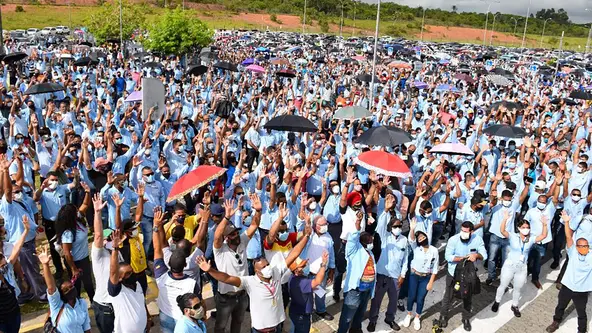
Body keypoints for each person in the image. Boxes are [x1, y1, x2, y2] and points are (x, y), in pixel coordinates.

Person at [196, 221, 310, 333]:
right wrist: (210, 270)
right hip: (259, 330)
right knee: (221, 325)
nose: (267, 268)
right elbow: (226, 278)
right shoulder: (249, 282)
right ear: (256, 271)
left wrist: (307, 236)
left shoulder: (276, 272)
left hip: (277, 328)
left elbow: (294, 253)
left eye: (267, 265)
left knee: (238, 322)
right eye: (264, 267)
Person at [213, 195, 261, 333]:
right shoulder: (220, 250)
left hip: (242, 295)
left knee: (238, 323)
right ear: (226, 238)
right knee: (220, 327)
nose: (236, 235)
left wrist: (258, 211)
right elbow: (217, 236)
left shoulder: (242, 241)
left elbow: (254, 225)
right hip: (225, 298)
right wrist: (226, 218)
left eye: (236, 232)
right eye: (233, 234)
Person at [153, 207, 201, 333]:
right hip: (183, 320)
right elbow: (200, 243)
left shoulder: (160, 276)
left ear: (168, 262)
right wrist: (205, 221)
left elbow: (158, 246)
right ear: (185, 263)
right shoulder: (191, 283)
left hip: (165, 316)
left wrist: (156, 226)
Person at [492, 212, 548, 317]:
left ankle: (515, 305)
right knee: (503, 285)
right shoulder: (513, 236)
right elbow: (502, 231)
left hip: (522, 267)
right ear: (519, 228)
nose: (526, 229)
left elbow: (544, 236)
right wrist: (504, 219)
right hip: (509, 265)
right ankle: (497, 301)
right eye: (523, 227)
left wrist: (545, 224)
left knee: (518, 288)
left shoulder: (531, 239)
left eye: (527, 227)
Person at [546, 211, 592, 333]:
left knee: (581, 313)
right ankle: (556, 321)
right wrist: (566, 221)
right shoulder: (573, 253)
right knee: (560, 306)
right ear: (576, 247)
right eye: (580, 246)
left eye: (585, 246)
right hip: (567, 286)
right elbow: (568, 237)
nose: (583, 248)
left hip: (582, 291)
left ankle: (581, 331)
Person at [367, 195, 408, 332]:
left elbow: (406, 258)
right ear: (391, 228)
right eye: (395, 226)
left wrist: (402, 275)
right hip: (382, 275)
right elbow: (380, 226)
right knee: (376, 300)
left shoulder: (404, 240)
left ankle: (389, 318)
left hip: (396, 276)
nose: (398, 228)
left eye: (400, 226)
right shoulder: (384, 237)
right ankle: (373, 320)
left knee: (393, 300)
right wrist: (385, 209)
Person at [439, 221, 487, 332]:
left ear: (472, 231)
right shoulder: (453, 240)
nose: (463, 233)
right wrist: (462, 259)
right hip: (453, 273)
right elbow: (448, 256)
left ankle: (465, 318)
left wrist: (476, 255)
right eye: (462, 231)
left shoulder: (477, 239)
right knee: (448, 296)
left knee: (467, 297)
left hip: (468, 276)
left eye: (466, 231)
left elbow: (484, 255)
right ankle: (443, 315)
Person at [54, 184, 95, 302]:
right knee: (76, 285)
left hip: (84, 258)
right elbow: (67, 253)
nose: (78, 210)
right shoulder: (68, 233)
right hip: (76, 261)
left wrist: (87, 192)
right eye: (75, 210)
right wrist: (73, 268)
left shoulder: (76, 220)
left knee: (88, 282)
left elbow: (86, 205)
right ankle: (76, 303)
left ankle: (93, 300)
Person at [38, 245, 92, 333]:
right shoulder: (57, 305)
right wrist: (45, 265)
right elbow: (51, 287)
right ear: (60, 294)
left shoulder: (81, 303)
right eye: (66, 290)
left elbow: (86, 327)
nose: (71, 290)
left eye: (71, 287)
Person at [337, 210, 374, 333]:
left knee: (360, 313)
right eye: (368, 240)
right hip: (355, 290)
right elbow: (353, 236)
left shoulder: (370, 253)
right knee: (347, 317)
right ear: (361, 242)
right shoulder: (353, 250)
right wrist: (358, 221)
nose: (371, 242)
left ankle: (356, 329)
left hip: (367, 289)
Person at [107, 229, 151, 333]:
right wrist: (115, 249)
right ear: (119, 278)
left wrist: (148, 318)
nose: (132, 274)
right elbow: (113, 272)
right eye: (127, 273)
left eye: (131, 271)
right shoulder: (117, 291)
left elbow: (142, 302)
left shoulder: (137, 284)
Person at [404, 220, 438, 330]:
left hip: (426, 278)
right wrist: (412, 229)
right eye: (419, 238)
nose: (421, 239)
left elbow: (435, 268)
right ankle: (409, 314)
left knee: (420, 298)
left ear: (427, 237)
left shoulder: (434, 250)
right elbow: (412, 239)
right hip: (414, 275)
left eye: (422, 237)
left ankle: (417, 316)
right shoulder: (416, 248)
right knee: (411, 296)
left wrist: (431, 282)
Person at [89, 193, 116, 333]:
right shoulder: (98, 254)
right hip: (104, 306)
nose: (108, 240)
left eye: (111, 237)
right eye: (106, 238)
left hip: (118, 303)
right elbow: (98, 235)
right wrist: (97, 213)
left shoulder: (116, 253)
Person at [0, 215, 29, 333]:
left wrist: (26, 231)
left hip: (13, 311)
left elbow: (16, 248)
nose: (4, 259)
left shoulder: (7, 267)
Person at [288, 252, 329, 333]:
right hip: (302, 316)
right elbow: (318, 281)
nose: (305, 267)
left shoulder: (292, 278)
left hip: (295, 312)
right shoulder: (303, 282)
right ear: (296, 271)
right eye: (302, 266)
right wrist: (323, 264)